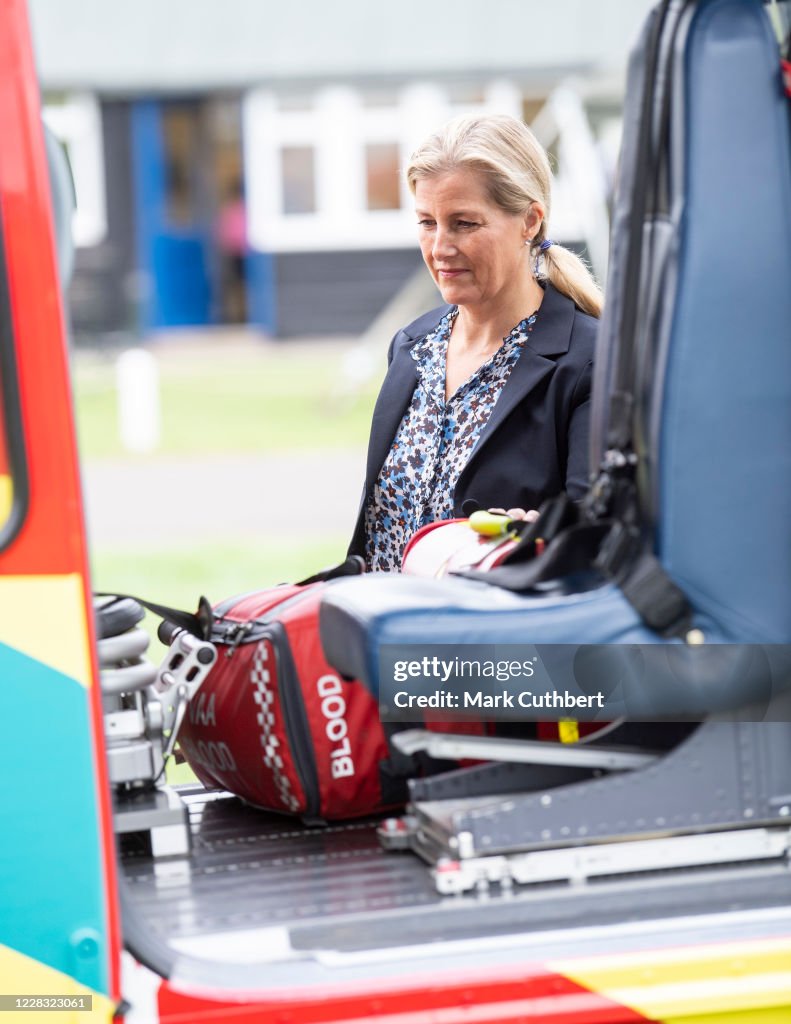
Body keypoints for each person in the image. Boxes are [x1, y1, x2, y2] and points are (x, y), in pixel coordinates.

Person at [347, 113, 603, 572]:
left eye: (464, 224)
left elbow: (601, 542)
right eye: (427, 222)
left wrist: (544, 536)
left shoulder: (592, 359)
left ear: (530, 220)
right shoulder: (411, 347)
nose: (440, 246)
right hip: (390, 638)